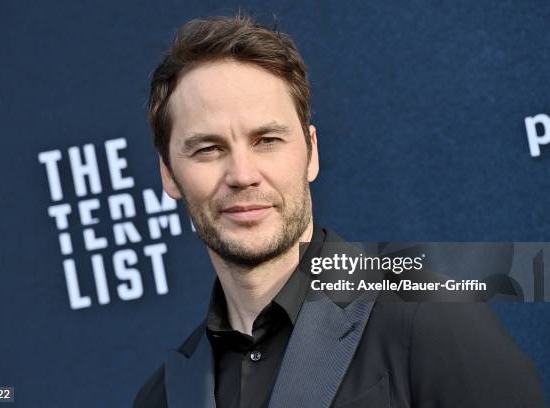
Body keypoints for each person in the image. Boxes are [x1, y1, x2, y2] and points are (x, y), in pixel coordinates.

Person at [133, 13, 546, 408]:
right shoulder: (164, 397)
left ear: (311, 152)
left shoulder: (428, 314)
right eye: (208, 149)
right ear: (169, 174)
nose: (242, 174)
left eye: (267, 140)